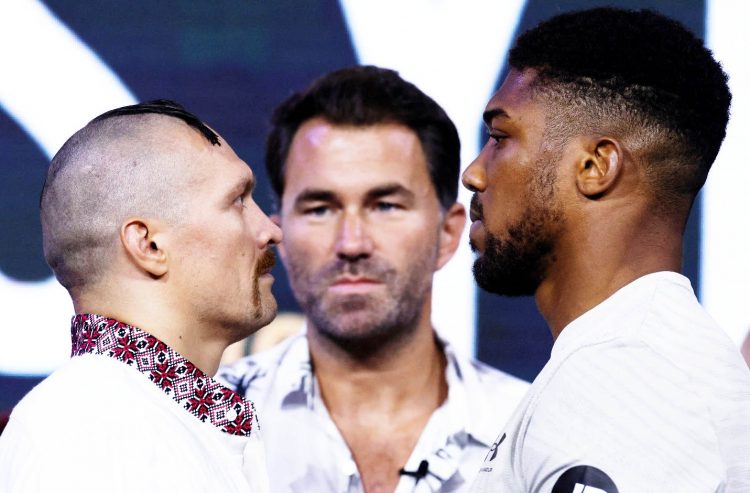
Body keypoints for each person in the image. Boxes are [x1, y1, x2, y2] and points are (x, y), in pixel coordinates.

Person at [462, 7, 750, 492]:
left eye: (498, 138)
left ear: (596, 166)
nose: (474, 173)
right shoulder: (634, 361)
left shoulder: (627, 379)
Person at [219, 66, 529, 493]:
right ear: (280, 236)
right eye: (319, 209)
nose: (351, 243)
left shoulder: (530, 430)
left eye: (385, 206)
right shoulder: (201, 422)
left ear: (448, 233)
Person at [0, 100, 281, 492]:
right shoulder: (80, 426)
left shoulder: (139, 416)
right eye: (237, 200)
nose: (270, 230)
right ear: (148, 245)